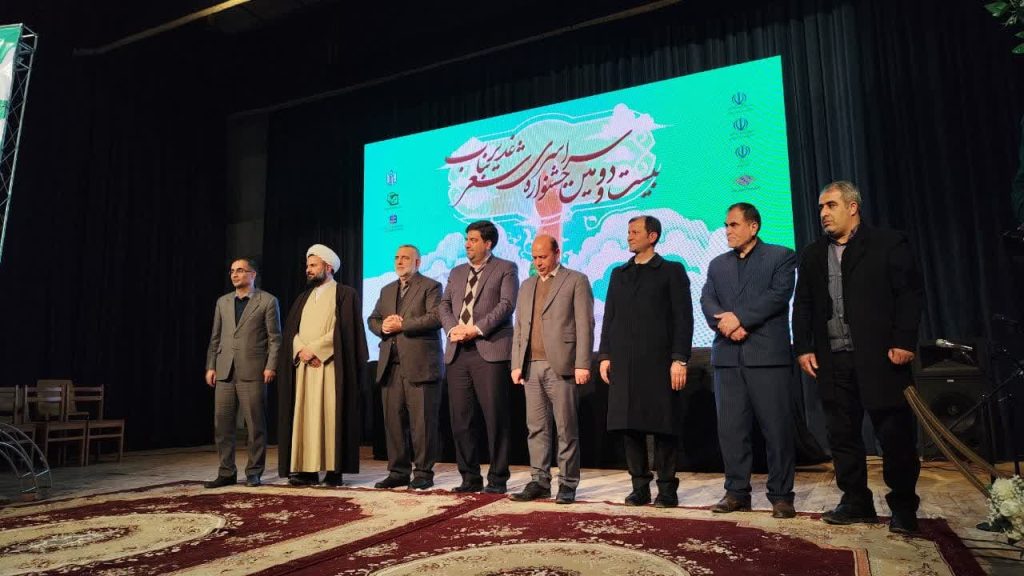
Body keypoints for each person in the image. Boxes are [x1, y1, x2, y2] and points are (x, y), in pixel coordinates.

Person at [792, 181, 924, 534]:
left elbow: (909, 295)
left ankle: (903, 508)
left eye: (831, 205)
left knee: (894, 436)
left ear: (853, 207)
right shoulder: (813, 254)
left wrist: (904, 341)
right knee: (842, 435)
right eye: (821, 207)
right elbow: (802, 305)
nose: (823, 213)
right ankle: (855, 501)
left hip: (881, 358)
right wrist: (803, 347)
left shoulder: (887, 244)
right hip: (833, 361)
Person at [700, 203, 797, 518]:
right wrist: (726, 324)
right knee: (732, 431)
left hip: (766, 357)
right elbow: (707, 300)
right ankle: (736, 492)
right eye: (726, 225)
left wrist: (740, 318)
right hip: (728, 359)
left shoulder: (781, 256)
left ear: (753, 227)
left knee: (777, 431)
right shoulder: (717, 265)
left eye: (734, 224)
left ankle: (781, 495)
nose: (727, 230)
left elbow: (778, 295)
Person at [599, 215, 693, 508]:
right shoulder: (619, 274)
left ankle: (667, 488)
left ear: (652, 236)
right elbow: (610, 317)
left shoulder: (671, 271)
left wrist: (680, 358)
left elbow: (683, 318)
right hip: (625, 364)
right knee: (630, 427)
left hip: (659, 363)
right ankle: (639, 487)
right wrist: (604, 355)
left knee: (663, 427)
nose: (629, 236)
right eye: (628, 232)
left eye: (635, 232)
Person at [508, 234, 594, 504]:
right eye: (534, 257)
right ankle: (539, 481)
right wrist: (516, 363)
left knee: (566, 428)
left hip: (562, 365)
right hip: (531, 366)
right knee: (536, 428)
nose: (538, 262)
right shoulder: (527, 285)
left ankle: (567, 483)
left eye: (543, 257)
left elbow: (585, 324)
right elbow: (519, 327)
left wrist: (582, 363)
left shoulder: (576, 280)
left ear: (557, 253)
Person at [277, 244, 368, 487]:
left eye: (313, 265)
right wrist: (301, 350)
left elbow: (345, 330)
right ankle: (307, 470)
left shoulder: (345, 294)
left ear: (328, 267)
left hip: (330, 367)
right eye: (307, 265)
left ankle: (333, 471)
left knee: (329, 417)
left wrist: (316, 350)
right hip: (304, 367)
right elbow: (291, 331)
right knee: (305, 418)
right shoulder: (303, 298)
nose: (308, 269)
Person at [439, 220, 518, 493]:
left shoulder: (506, 268)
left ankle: (498, 478)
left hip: (489, 350)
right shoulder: (457, 272)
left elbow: (506, 305)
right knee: (461, 419)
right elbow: (444, 305)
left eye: (473, 240)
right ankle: (469, 477)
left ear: (488, 243)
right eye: (466, 239)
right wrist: (453, 329)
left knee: (495, 418)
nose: (467, 244)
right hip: (458, 352)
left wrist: (475, 329)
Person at [367, 245, 444, 490]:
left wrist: (402, 325)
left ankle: (423, 473)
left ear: (418, 262)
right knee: (394, 423)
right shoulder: (387, 289)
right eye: (397, 257)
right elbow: (373, 319)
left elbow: (435, 317)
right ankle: (398, 472)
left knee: (422, 424)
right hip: (390, 366)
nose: (399, 262)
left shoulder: (431, 286)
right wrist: (383, 327)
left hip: (420, 366)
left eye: (405, 258)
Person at [204, 258, 281, 488]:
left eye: (240, 270)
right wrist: (211, 366)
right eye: (232, 271)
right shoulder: (223, 302)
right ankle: (226, 471)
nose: (235, 275)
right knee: (222, 425)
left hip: (253, 370)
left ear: (253, 274)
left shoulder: (267, 301)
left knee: (255, 426)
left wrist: (271, 366)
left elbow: (275, 338)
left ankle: (254, 472)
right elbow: (215, 336)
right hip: (224, 371)